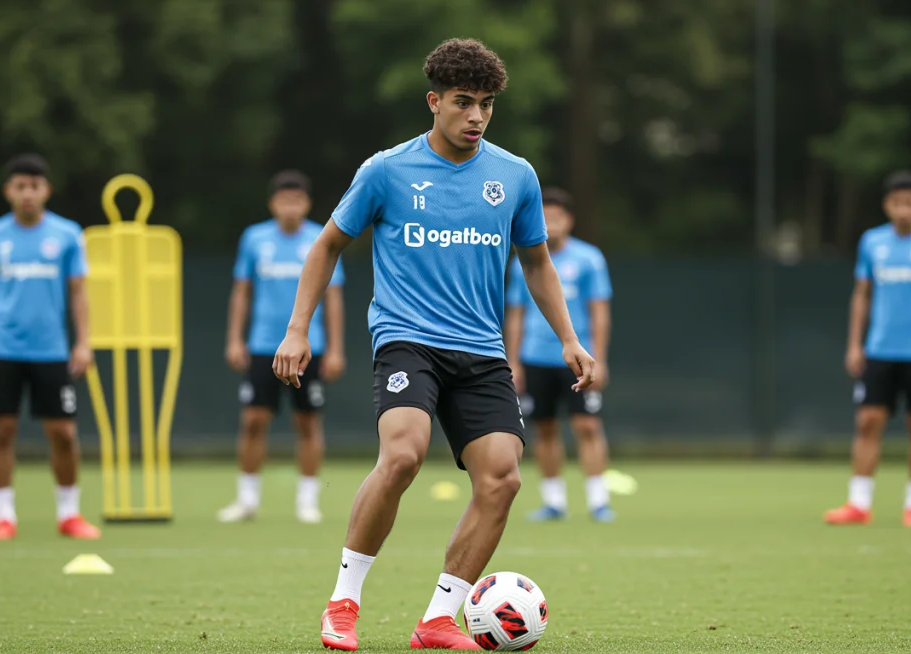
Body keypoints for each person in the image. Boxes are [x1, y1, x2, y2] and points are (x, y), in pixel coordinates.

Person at [271, 38, 596, 651]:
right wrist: (297, 328)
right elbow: (326, 247)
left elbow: (538, 264)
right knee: (403, 455)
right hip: (407, 339)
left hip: (481, 350)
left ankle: (439, 619)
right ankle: (343, 603)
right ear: (434, 101)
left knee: (501, 479)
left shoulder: (515, 175)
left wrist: (570, 339)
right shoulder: (387, 170)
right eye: (463, 102)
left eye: (487, 105)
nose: (476, 117)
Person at [0, 153, 101, 541]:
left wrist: (83, 343)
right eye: (20, 187)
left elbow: (79, 292)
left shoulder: (67, 235)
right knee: (2, 430)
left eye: (34, 186)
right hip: (2, 349)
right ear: (8, 192)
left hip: (52, 351)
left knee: (63, 432)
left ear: (46, 190)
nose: (27, 194)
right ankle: (4, 517)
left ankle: (68, 515)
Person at [825, 170, 911, 528]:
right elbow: (861, 294)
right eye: (896, 203)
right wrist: (855, 344)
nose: (903, 210)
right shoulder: (872, 243)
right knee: (868, 421)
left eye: (910, 203)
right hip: (879, 350)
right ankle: (859, 503)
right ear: (887, 205)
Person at [219, 170, 346, 525]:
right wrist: (234, 339)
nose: (291, 207)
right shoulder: (254, 239)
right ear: (272, 203)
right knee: (254, 420)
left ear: (307, 203)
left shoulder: (320, 238)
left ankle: (307, 502)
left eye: (298, 200)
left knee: (307, 421)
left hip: (310, 347)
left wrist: (335, 349)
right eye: (284, 200)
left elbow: (333, 297)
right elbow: (242, 291)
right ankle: (246, 500)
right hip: (263, 345)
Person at [504, 187, 615, 523]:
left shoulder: (589, 259)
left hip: (579, 359)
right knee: (546, 428)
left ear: (570, 220)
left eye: (557, 216)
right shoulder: (523, 260)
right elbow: (516, 315)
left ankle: (599, 501)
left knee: (587, 425)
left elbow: (599, 312)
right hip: (535, 357)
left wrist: (600, 357)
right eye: (545, 217)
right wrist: (513, 362)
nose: (550, 222)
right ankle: (554, 502)